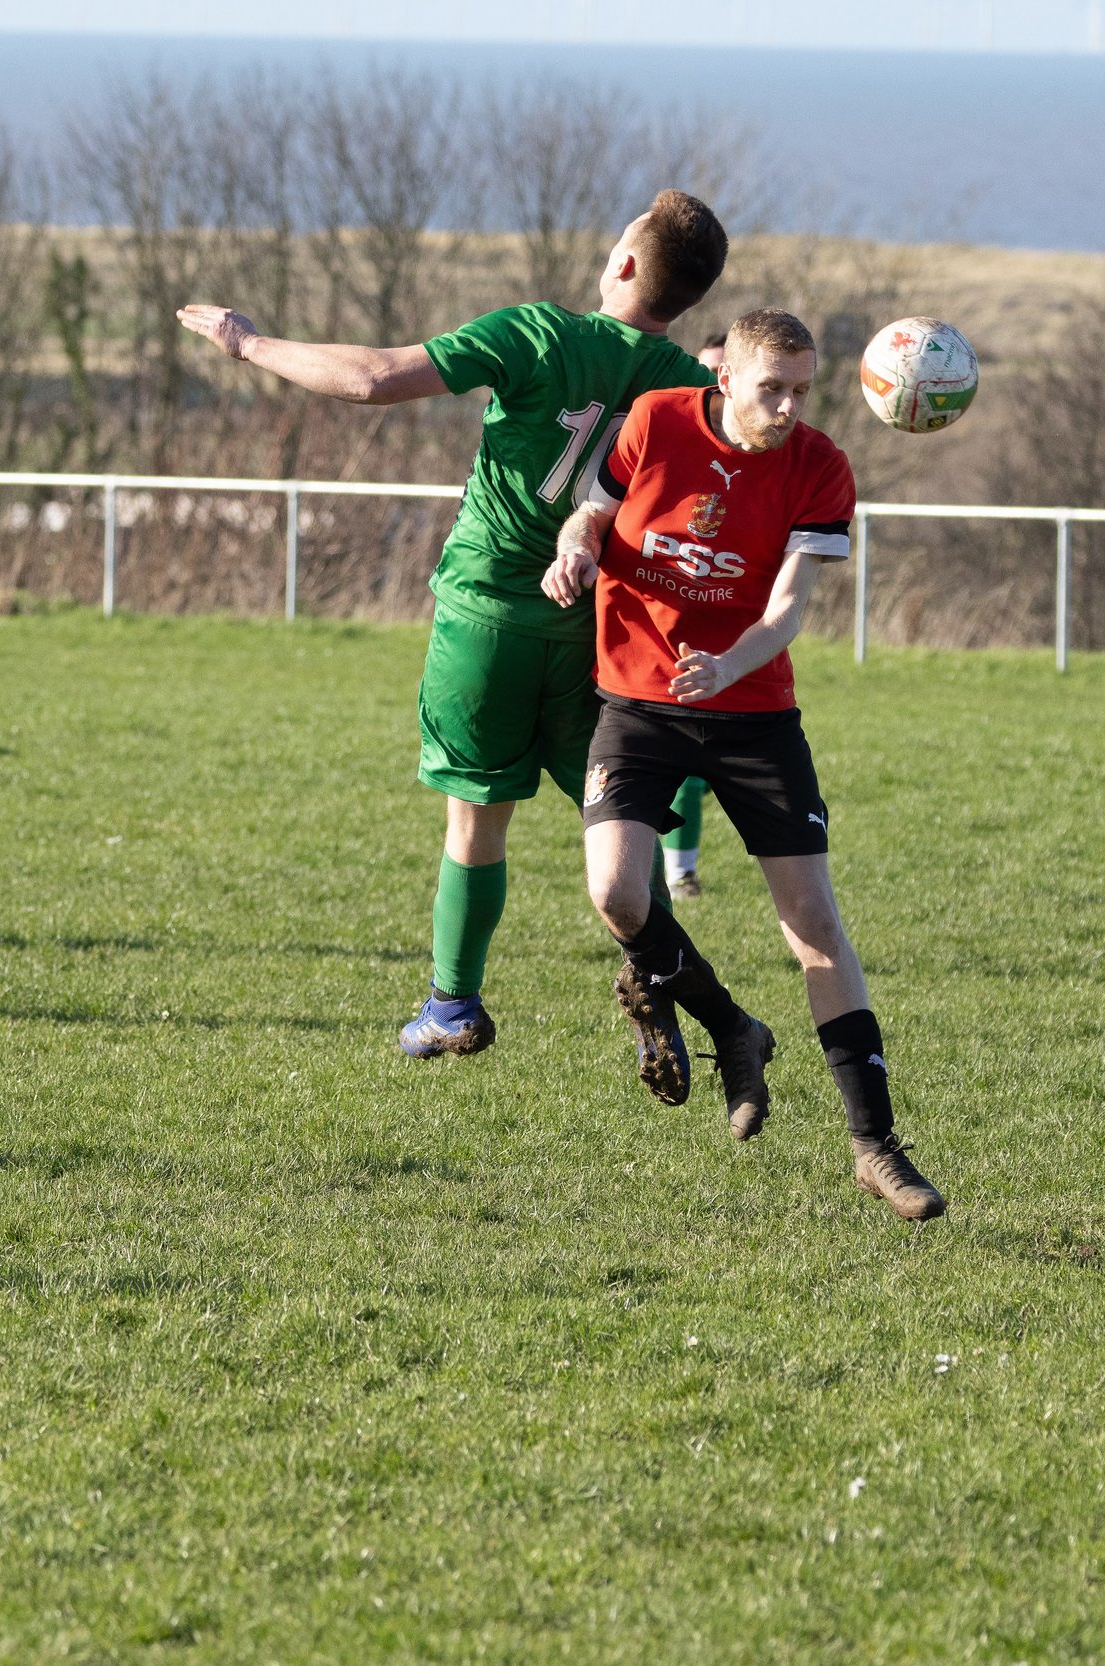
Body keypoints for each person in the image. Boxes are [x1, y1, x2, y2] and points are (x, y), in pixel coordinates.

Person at [177, 190, 728, 1059]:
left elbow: (372, 378)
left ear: (623, 263)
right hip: (598, 634)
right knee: (618, 830)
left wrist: (247, 343)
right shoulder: (695, 390)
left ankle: (453, 1006)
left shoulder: (541, 333)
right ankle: (660, 990)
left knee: (476, 820)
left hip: (488, 619)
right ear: (690, 300)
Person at [542, 308, 946, 1220]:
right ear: (725, 378)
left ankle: (876, 1146)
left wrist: (730, 663)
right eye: (774, 389)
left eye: (804, 390)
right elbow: (591, 516)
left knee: (812, 920)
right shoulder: (655, 420)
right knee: (617, 893)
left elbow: (792, 605)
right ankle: (732, 1028)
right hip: (638, 705)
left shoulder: (819, 466)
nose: (790, 407)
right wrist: (573, 553)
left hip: (752, 712)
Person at [661, 329, 727, 901]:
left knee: (702, 770)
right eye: (708, 372)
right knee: (685, 761)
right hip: (663, 620)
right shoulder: (672, 438)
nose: (716, 383)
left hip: (730, 625)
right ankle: (678, 873)